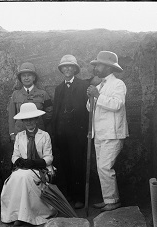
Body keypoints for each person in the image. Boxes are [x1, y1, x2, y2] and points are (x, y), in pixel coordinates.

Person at [1, 103, 57, 226]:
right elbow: (14, 155)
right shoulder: (20, 136)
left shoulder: (44, 135)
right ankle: (17, 214)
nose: (29, 122)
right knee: (15, 178)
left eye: (32, 119)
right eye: (26, 120)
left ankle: (27, 216)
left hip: (40, 169)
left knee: (25, 177)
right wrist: (19, 161)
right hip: (23, 169)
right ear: (22, 121)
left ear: (36, 119)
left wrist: (35, 162)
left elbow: (49, 157)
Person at [87, 51, 129, 212]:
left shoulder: (118, 84)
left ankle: (113, 202)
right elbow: (91, 109)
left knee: (105, 167)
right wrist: (91, 98)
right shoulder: (99, 85)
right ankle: (109, 199)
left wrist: (97, 96)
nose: (96, 67)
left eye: (98, 64)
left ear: (108, 67)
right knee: (102, 168)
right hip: (100, 133)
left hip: (113, 133)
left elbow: (117, 105)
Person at [52, 54, 93, 209]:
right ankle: (69, 194)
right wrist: (56, 133)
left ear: (75, 69)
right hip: (63, 135)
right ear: (61, 69)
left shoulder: (83, 86)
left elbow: (89, 110)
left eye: (70, 66)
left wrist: (87, 131)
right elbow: (56, 112)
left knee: (78, 165)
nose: (67, 69)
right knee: (65, 164)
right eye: (64, 66)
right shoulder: (58, 88)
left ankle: (79, 197)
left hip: (78, 134)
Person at [7, 62, 53, 143]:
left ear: (34, 77)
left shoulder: (43, 94)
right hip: (20, 132)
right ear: (20, 78)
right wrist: (12, 133)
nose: (26, 78)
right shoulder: (15, 94)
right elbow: (12, 115)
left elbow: (49, 113)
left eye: (29, 75)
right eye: (23, 76)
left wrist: (40, 122)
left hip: (38, 131)